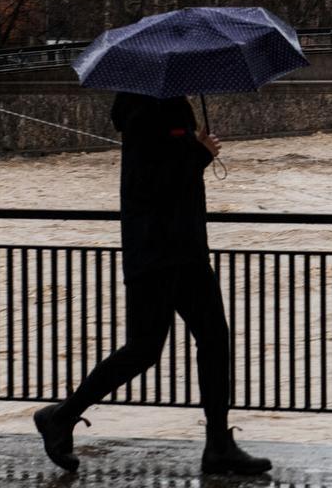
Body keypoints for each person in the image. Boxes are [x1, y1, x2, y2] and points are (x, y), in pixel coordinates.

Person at [34, 92, 270, 477]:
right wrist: (200, 153)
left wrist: (194, 148)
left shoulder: (162, 105)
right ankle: (61, 416)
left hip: (176, 249)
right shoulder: (146, 110)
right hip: (162, 251)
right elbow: (155, 180)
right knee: (149, 348)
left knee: (206, 339)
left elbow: (166, 170)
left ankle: (217, 444)